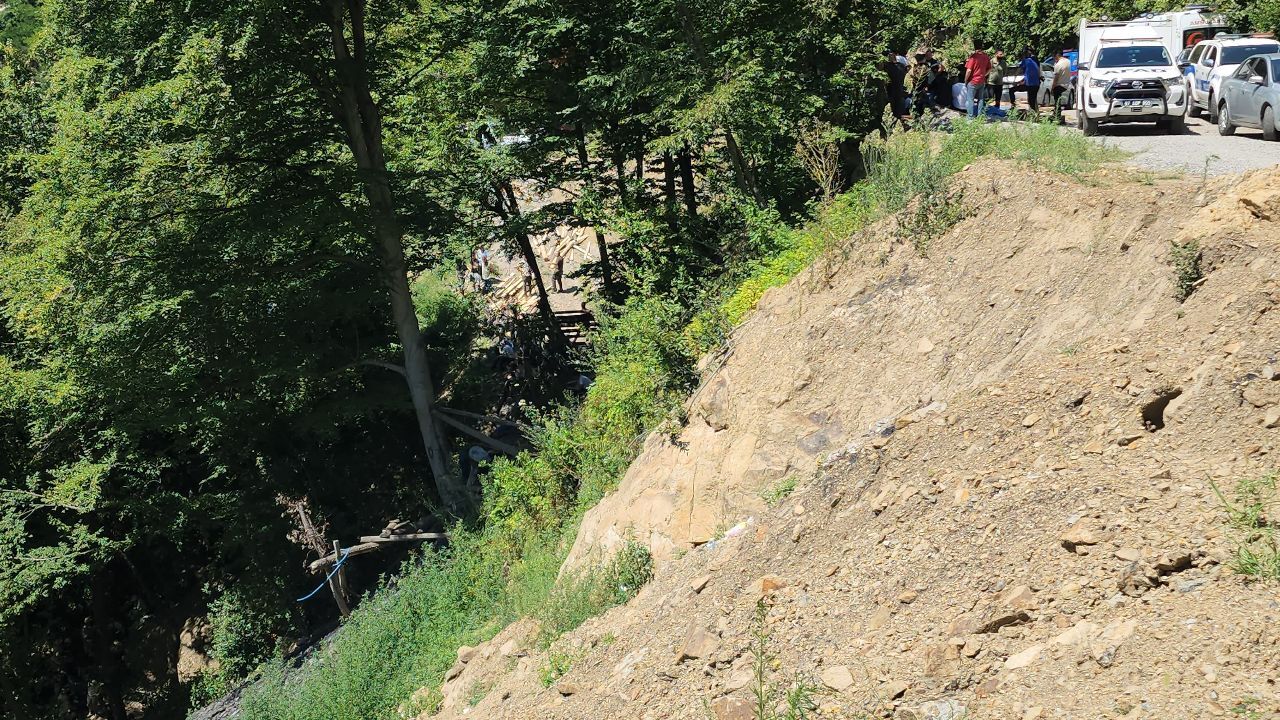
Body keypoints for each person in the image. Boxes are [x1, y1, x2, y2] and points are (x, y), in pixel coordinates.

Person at [963, 46, 992, 119]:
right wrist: (983, 75)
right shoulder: (986, 57)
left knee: (970, 99)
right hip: (981, 81)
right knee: (981, 99)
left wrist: (966, 80)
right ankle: (980, 116)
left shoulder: (973, 57)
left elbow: (969, 70)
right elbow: (990, 68)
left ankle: (970, 117)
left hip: (972, 81)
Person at [1016, 49, 1042, 115]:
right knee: (1033, 99)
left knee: (1031, 100)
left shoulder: (1025, 61)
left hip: (1030, 84)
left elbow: (1019, 70)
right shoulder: (1034, 62)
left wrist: (1017, 78)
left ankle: (1033, 115)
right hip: (1036, 84)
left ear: (1023, 56)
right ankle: (1036, 113)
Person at [1051, 50, 1072, 124]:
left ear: (1057, 55)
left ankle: (1057, 116)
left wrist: (1052, 88)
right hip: (1066, 84)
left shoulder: (1058, 65)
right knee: (1058, 101)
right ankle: (1056, 115)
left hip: (1059, 85)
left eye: (1054, 57)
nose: (1054, 59)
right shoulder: (1068, 61)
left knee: (1057, 102)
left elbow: (1056, 79)